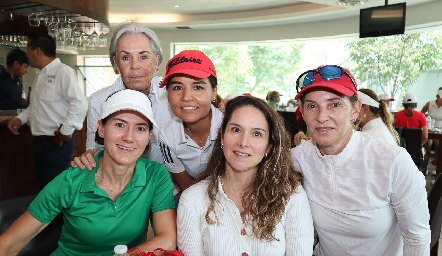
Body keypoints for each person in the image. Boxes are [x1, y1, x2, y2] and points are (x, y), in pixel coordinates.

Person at [0, 89, 176, 255]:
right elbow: (8, 243)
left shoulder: (156, 175)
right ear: (101, 128)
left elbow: (167, 239)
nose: (129, 137)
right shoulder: (71, 180)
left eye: (140, 128)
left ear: (149, 136)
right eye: (120, 125)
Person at [291, 65, 430, 255]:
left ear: (355, 110)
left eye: (334, 104)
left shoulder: (392, 162)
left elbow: (417, 237)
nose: (321, 117)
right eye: (312, 106)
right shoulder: (298, 159)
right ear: (303, 113)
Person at [177, 96, 314, 255]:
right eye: (236, 129)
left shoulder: (291, 195)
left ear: (269, 147)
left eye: (256, 134)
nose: (243, 142)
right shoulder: (192, 200)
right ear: (222, 136)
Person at [80, 21, 174, 169]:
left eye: (143, 57)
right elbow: (95, 151)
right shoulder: (98, 101)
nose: (135, 65)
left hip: (169, 186)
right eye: (125, 58)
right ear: (116, 63)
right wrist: (88, 157)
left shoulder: (173, 92)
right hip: (119, 189)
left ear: (156, 62)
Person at [7, 33, 87, 189]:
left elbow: (79, 103)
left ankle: (60, 215)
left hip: (56, 142)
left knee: (55, 191)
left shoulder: (63, 72)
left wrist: (66, 129)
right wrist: (20, 119)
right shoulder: (40, 76)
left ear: (37, 51)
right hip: (40, 141)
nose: (26, 54)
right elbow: (35, 106)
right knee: (44, 189)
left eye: (28, 50)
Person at [158, 50, 223, 194]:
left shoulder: (229, 125)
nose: (187, 97)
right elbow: (186, 187)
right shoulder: (167, 134)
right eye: (177, 87)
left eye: (198, 87)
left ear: (214, 92)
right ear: (167, 95)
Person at [421, 87, 442, 167]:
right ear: (437, 97)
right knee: (429, 143)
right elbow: (421, 114)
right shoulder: (429, 104)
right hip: (430, 129)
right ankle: (425, 164)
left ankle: (436, 164)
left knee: (438, 144)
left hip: (440, 131)